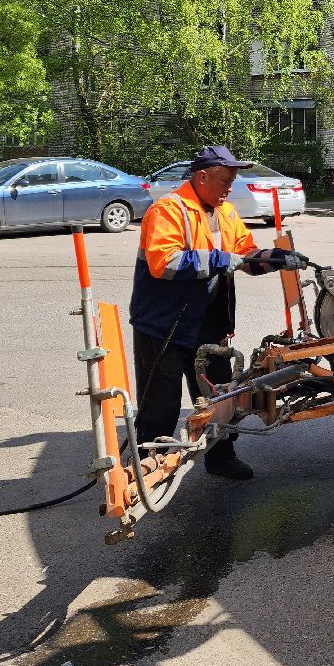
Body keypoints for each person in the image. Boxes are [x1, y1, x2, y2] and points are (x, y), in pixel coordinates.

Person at [129, 144, 311, 480]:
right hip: (164, 326)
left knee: (220, 397)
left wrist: (275, 259)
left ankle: (221, 457)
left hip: (208, 325)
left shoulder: (224, 211)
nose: (230, 188)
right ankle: (150, 468)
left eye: (232, 180)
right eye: (225, 180)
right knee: (160, 406)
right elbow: (163, 263)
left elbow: (244, 254)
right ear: (201, 177)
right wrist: (219, 259)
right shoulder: (169, 211)